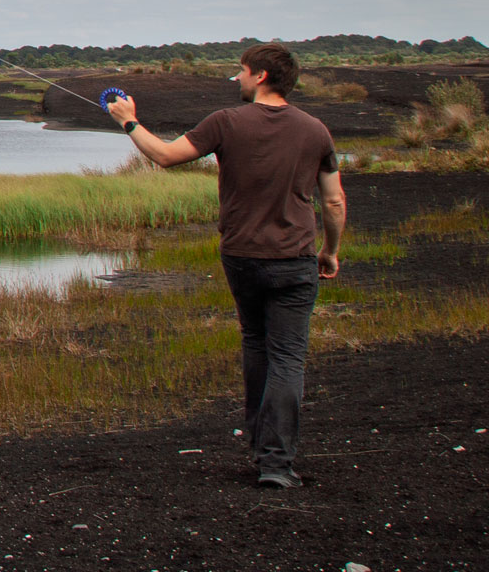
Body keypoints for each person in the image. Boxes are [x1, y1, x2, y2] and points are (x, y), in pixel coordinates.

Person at [106, 42, 346, 488]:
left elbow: (165, 156)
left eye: (242, 70)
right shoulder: (316, 131)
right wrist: (329, 251)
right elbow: (333, 201)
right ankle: (276, 464)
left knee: (256, 344)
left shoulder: (226, 121)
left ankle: (261, 448)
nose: (237, 77)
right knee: (287, 357)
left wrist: (128, 121)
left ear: (261, 76)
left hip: (242, 257)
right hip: (295, 259)